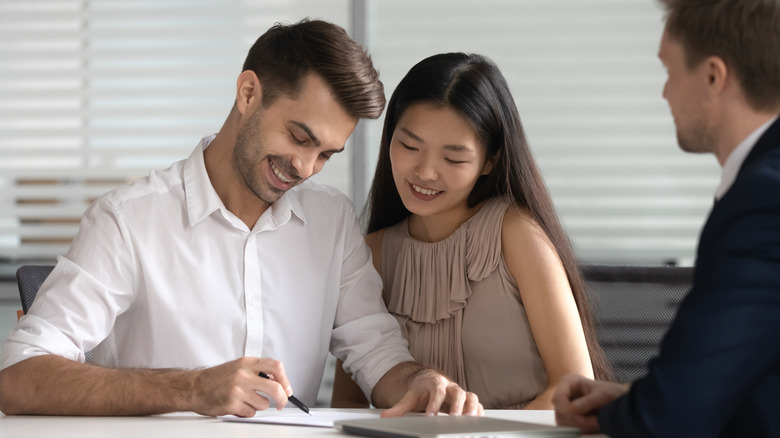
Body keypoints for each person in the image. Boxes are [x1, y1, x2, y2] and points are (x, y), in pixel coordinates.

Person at [0, 19, 482, 418]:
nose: (305, 168)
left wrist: (420, 382)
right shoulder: (128, 220)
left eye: (325, 155)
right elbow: (19, 378)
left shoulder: (331, 221)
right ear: (249, 92)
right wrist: (190, 389)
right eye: (298, 136)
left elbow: (378, 357)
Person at [330, 52, 611, 410]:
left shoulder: (515, 234)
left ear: (489, 160)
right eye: (410, 146)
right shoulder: (373, 253)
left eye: (453, 158)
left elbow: (573, 388)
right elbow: (347, 402)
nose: (426, 172)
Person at [553, 0, 780, 436]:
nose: (665, 93)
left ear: (714, 76)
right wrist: (635, 397)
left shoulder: (763, 203)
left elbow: (668, 419)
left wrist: (633, 409)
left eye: (670, 71)